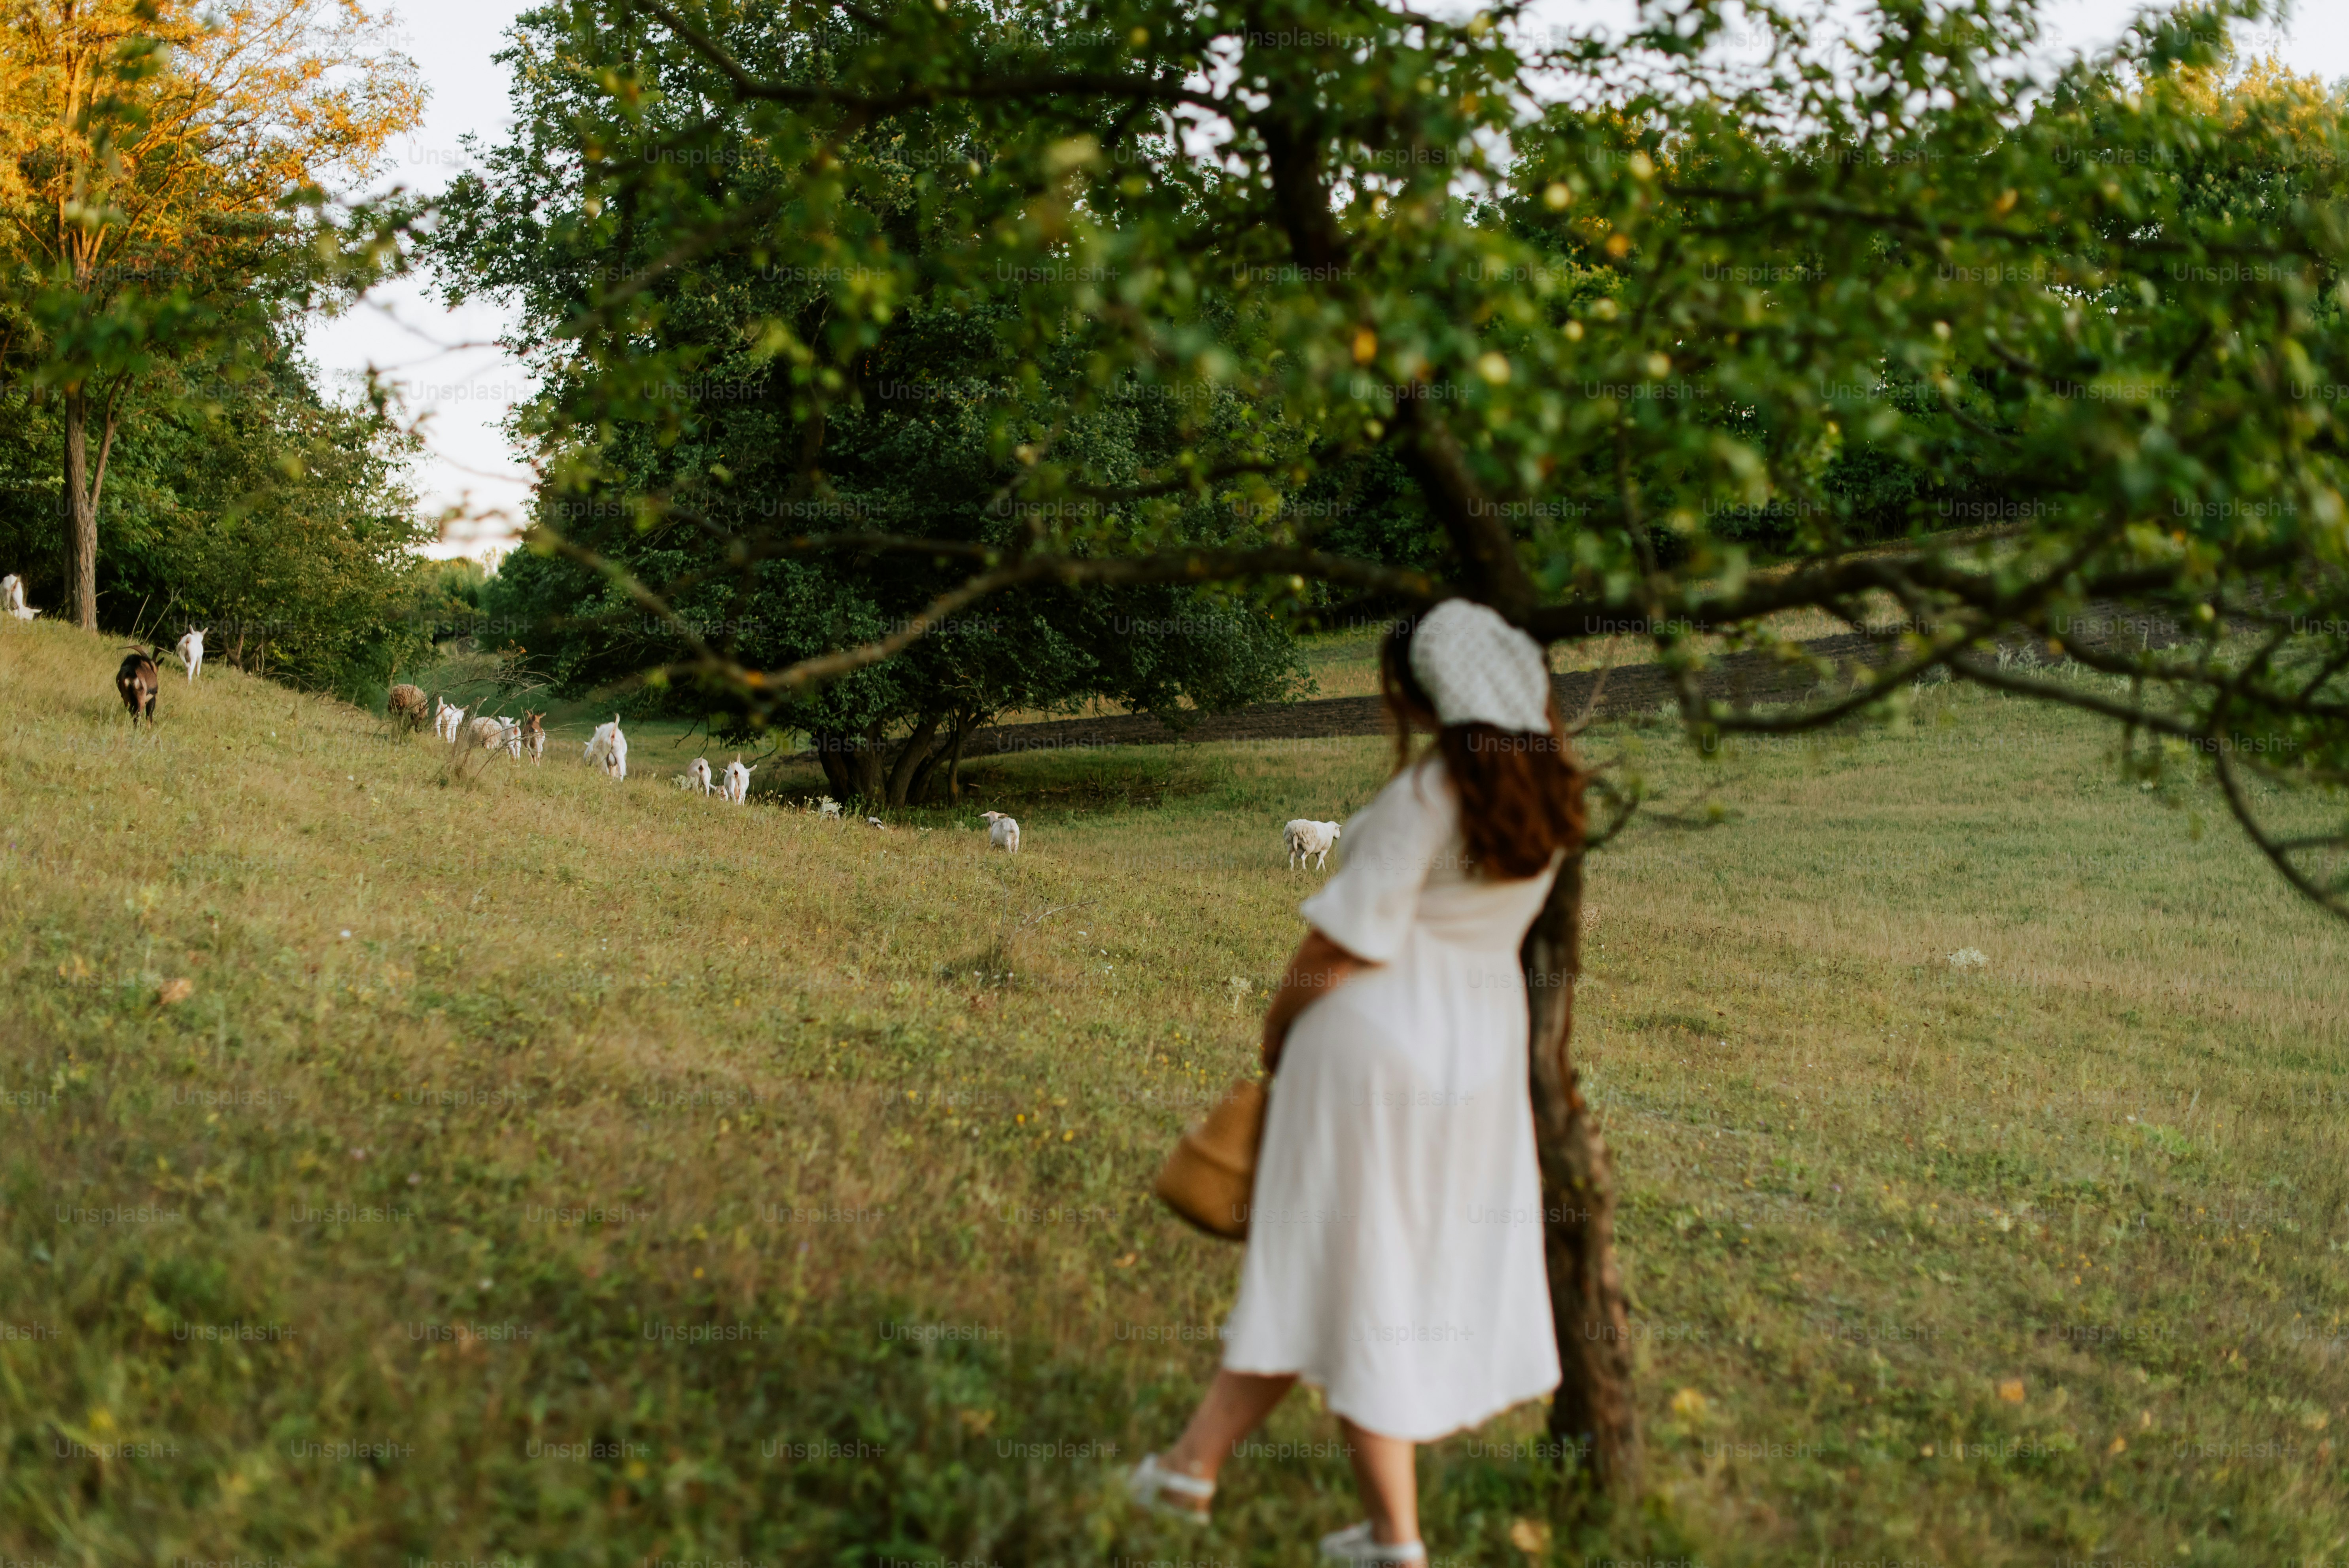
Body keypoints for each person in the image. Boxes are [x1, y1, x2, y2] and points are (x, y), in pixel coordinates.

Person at [1127, 598, 1586, 1566]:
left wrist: (1276, 1031)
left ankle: (1388, 1539)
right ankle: (1199, 1473)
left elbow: (1343, 942)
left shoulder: (1430, 793)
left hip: (1371, 1052)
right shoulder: (1546, 802)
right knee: (1364, 1273)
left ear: (1435, 695)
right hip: (1473, 1065)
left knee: (1344, 1272)